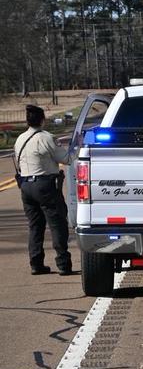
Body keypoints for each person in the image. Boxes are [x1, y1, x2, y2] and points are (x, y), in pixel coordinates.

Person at [14, 104, 78, 276]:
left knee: (35, 226)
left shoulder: (20, 138)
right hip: (45, 185)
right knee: (57, 224)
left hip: (26, 186)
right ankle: (63, 263)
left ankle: (36, 263)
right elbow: (66, 159)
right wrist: (76, 148)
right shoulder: (46, 137)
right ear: (42, 120)